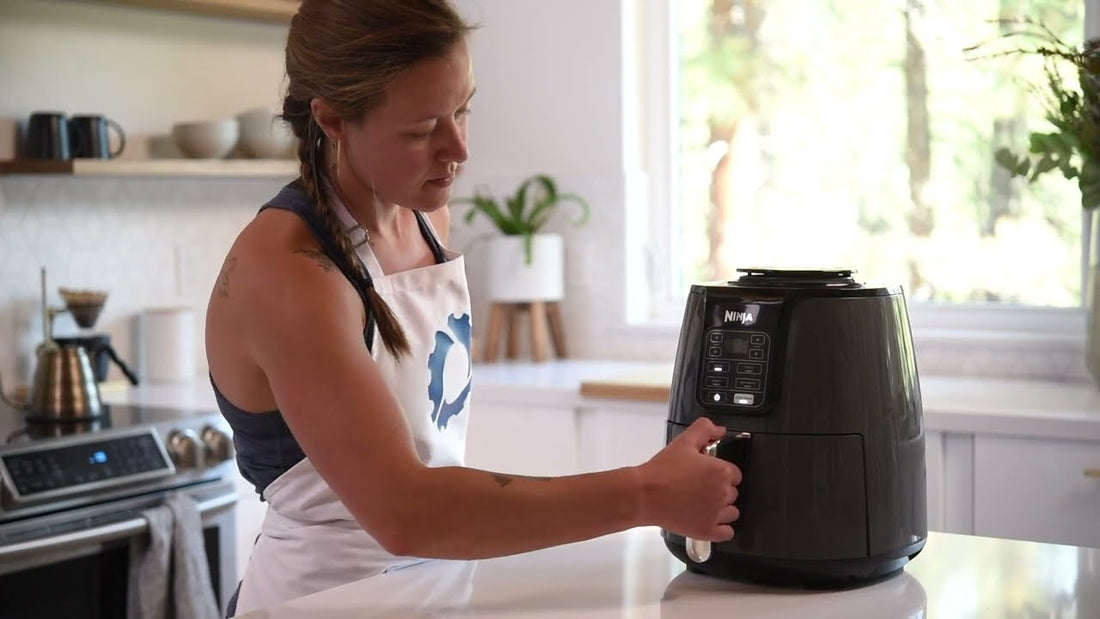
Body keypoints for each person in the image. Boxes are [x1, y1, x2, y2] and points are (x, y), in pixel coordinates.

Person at [205, 0, 742, 614]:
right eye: (420, 129)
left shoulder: (424, 214)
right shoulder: (287, 272)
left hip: (433, 590)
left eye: (463, 109)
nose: (457, 148)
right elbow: (406, 512)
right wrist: (644, 494)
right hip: (325, 601)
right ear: (331, 120)